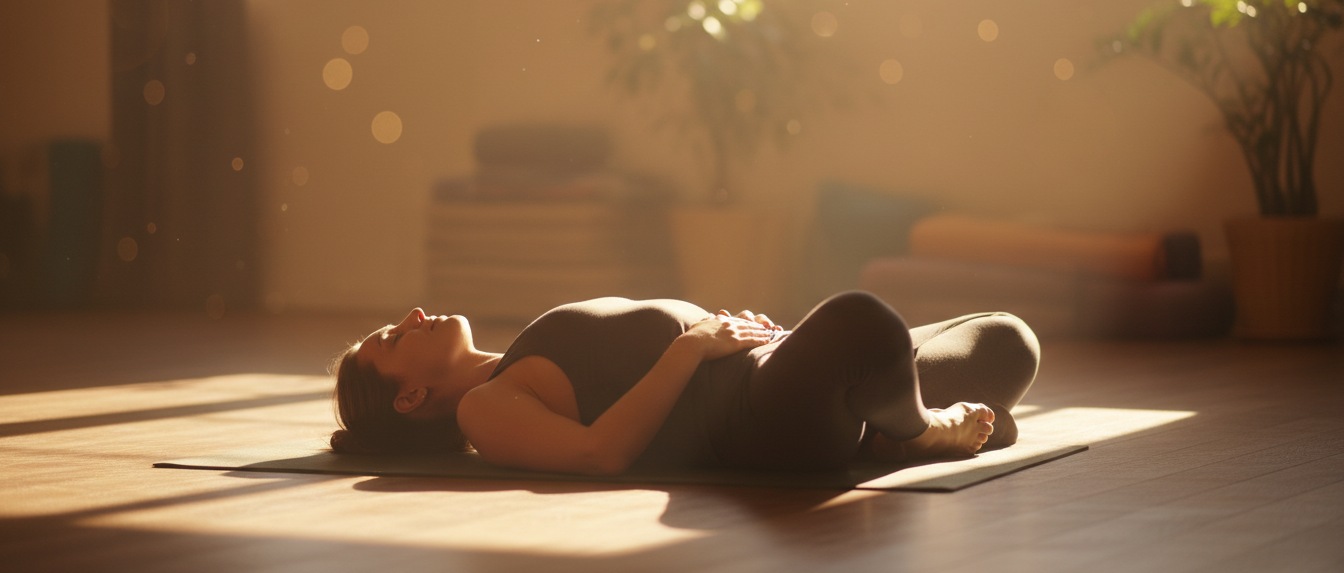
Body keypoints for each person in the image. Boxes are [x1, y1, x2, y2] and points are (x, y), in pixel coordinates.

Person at [330, 291, 1040, 475]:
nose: (414, 317)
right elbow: (598, 454)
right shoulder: (486, 409)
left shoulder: (514, 354)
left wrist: (750, 338)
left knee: (1008, 336)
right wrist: (693, 346)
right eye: (394, 339)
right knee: (865, 322)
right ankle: (921, 430)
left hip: (772, 370)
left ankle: (884, 426)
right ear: (411, 398)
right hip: (757, 417)